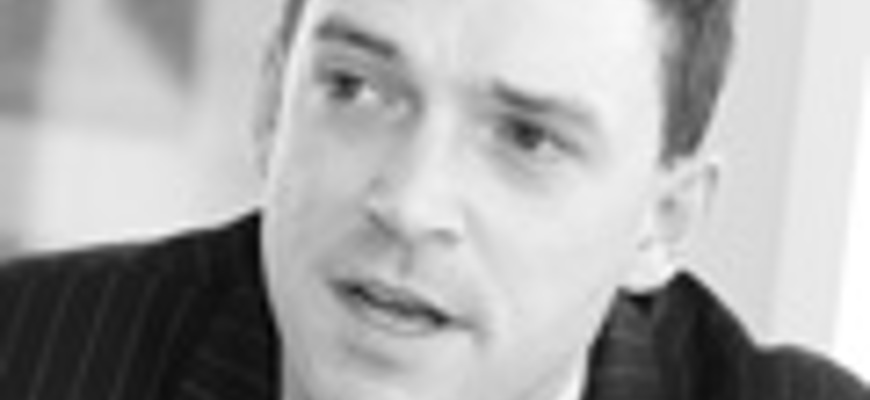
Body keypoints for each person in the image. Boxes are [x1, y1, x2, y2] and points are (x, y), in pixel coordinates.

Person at [0, 0, 867, 399]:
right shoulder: (29, 352)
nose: (409, 204)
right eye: (356, 89)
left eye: (527, 138)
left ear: (662, 223)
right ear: (270, 104)